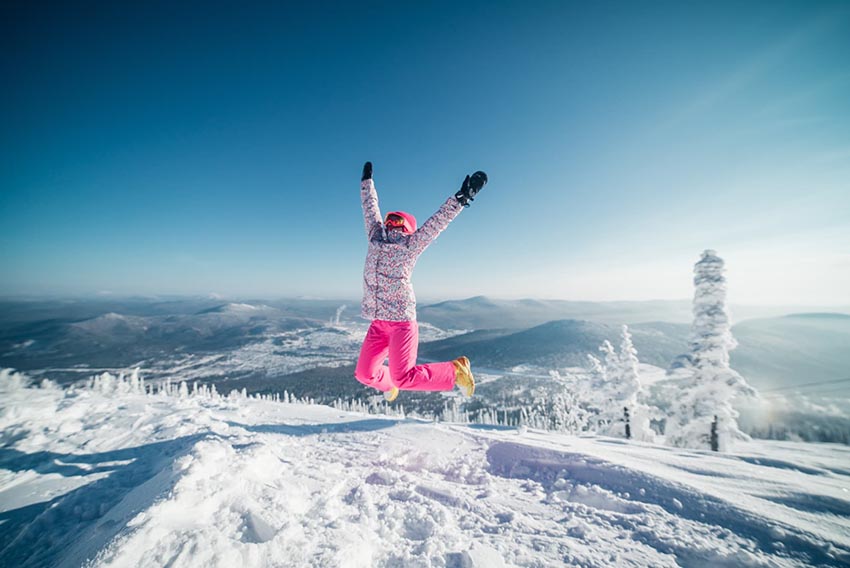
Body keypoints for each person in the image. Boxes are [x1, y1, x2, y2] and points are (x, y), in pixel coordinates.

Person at [354, 161, 487, 402]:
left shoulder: (410, 245)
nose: (390, 223)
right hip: (378, 322)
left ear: (407, 228)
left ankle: (455, 369)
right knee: (364, 374)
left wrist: (461, 198)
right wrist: (366, 184)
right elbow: (369, 208)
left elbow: (437, 224)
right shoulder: (375, 236)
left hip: (401, 323)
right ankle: (388, 385)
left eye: (396, 221)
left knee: (404, 377)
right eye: (389, 219)